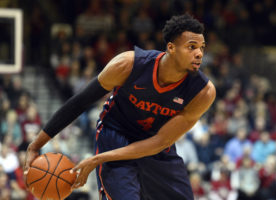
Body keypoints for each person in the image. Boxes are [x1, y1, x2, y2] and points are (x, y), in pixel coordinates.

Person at [24, 14, 216, 200]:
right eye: (191, 47)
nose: (199, 53)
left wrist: (97, 159)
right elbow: (80, 101)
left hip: (154, 145)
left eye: (202, 47)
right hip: (115, 134)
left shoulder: (203, 93)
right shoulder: (129, 65)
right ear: (171, 48)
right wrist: (35, 145)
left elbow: (159, 142)